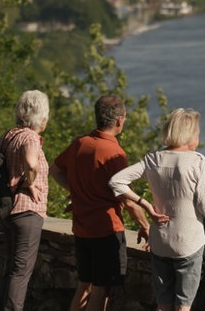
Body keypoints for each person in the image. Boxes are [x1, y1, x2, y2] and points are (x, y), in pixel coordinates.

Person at [109, 108, 205, 311]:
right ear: (189, 134)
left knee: (163, 305)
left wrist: (146, 206)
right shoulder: (197, 161)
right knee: (183, 307)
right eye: (197, 132)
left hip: (160, 242)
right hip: (189, 243)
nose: (198, 137)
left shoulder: (153, 159)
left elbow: (116, 181)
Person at [50, 95, 160, 311]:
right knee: (102, 290)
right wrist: (146, 226)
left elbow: (55, 170)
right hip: (106, 230)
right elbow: (127, 200)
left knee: (84, 286)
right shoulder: (114, 153)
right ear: (120, 120)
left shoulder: (80, 143)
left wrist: (78, 192)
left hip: (82, 229)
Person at [0, 90, 50, 311]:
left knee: (12, 268)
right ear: (41, 117)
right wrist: (29, 182)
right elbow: (31, 163)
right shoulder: (30, 137)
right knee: (21, 271)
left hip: (10, 210)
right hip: (28, 212)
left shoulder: (9, 135)